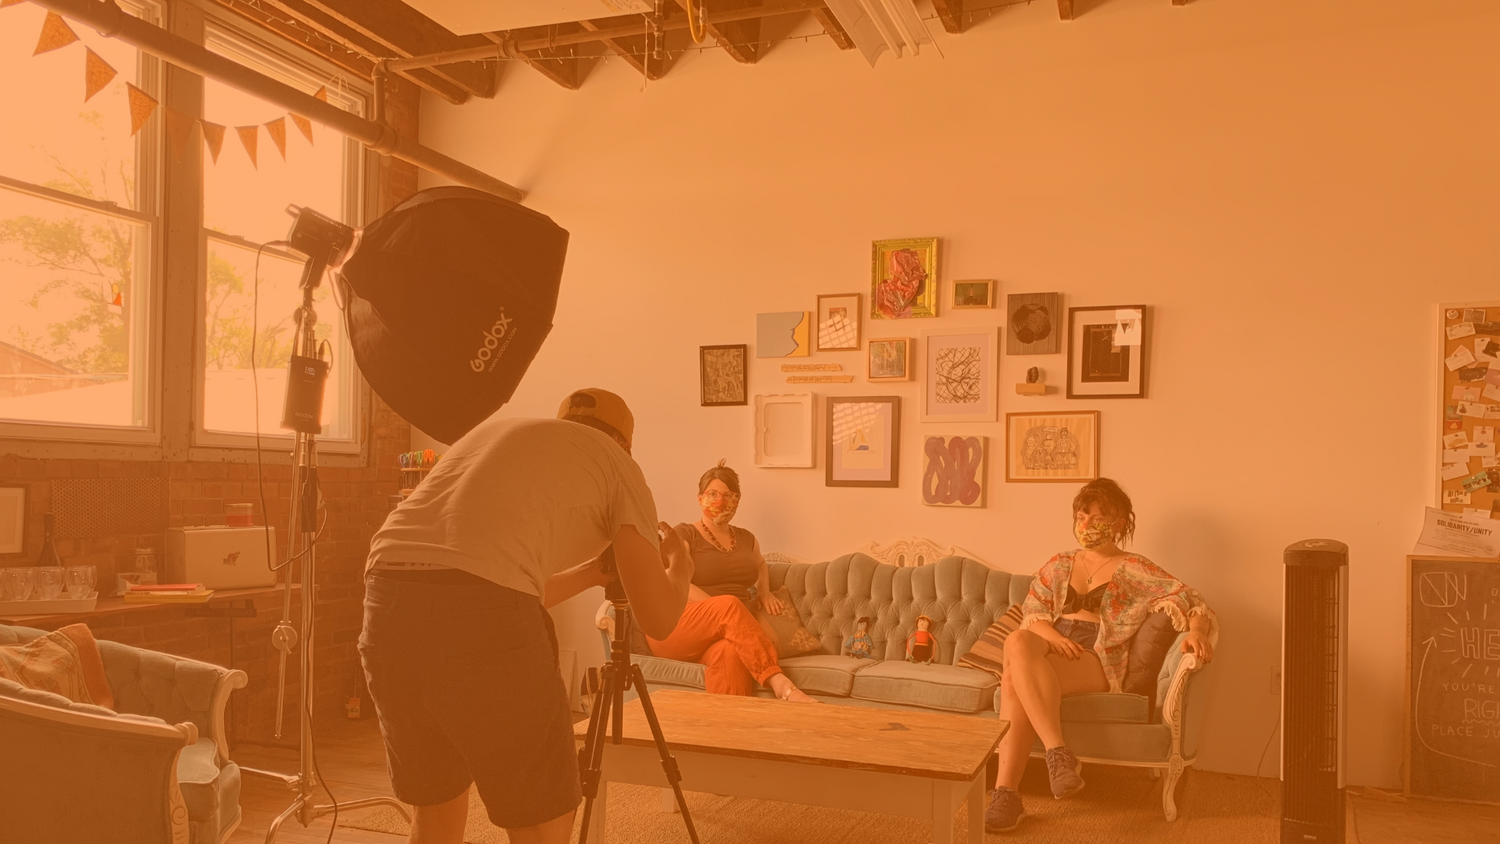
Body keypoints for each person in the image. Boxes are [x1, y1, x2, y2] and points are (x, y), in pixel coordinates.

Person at [359, 388, 694, 844]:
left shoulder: (498, 435)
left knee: (436, 805)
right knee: (541, 818)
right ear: (625, 444)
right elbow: (657, 619)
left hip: (387, 600)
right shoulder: (619, 466)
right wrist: (681, 568)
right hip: (481, 613)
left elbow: (484, 576)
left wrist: (590, 574)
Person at [983, 478, 1216, 834]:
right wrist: (1049, 635)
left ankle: (1006, 795)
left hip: (1095, 655)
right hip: (1050, 643)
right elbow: (1033, 609)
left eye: (1097, 518)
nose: (1087, 525)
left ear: (1119, 524)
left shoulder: (1136, 568)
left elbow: (1191, 599)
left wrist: (1197, 631)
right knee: (1017, 642)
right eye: (1081, 517)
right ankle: (1058, 755)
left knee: (1015, 678)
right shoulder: (1060, 563)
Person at [644, 460, 816, 703]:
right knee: (730, 604)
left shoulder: (746, 538)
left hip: (722, 631)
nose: (720, 501)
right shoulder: (684, 533)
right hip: (678, 624)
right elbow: (673, 576)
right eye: (712, 494)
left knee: (729, 653)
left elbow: (760, 564)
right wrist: (718, 609)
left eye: (728, 495)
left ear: (737, 500)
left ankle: (728, 731)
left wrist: (764, 591)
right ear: (699, 497)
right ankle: (780, 683)